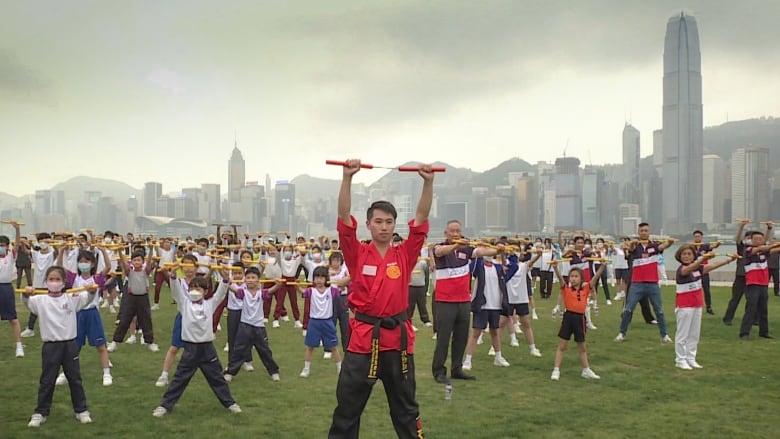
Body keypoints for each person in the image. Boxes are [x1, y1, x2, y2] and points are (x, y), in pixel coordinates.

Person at [328, 159, 432, 439]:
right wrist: (347, 178)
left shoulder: (405, 254)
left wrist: (428, 182)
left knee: (406, 410)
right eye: (378, 222)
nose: (384, 227)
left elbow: (421, 221)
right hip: (363, 340)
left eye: (389, 222)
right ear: (369, 225)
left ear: (395, 224)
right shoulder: (357, 253)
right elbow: (343, 217)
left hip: (397, 342)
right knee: (347, 409)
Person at [153, 265, 241, 417]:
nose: (195, 291)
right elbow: (176, 291)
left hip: (207, 349)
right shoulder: (184, 304)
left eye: (199, 289)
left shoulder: (209, 304)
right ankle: (165, 406)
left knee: (217, 378)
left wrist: (225, 278)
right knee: (180, 379)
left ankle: (230, 403)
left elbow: (220, 294)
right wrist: (172, 276)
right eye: (192, 288)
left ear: (205, 292)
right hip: (190, 349)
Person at [23, 265, 98, 427]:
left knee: (75, 379)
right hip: (50, 346)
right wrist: (26, 294)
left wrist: (91, 290)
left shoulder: (72, 298)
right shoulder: (40, 300)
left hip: (70, 345)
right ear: (46, 281)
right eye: (51, 279)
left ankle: (81, 410)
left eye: (58, 280)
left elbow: (88, 298)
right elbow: (28, 303)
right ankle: (40, 412)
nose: (54, 282)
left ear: (64, 282)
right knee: (47, 380)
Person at [431, 220, 500, 383]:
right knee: (443, 338)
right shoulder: (438, 248)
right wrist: (456, 246)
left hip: (463, 301)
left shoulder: (467, 250)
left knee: (461, 337)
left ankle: (457, 369)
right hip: (445, 301)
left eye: (458, 231)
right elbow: (440, 251)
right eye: (452, 231)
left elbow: (482, 251)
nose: (455, 234)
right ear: (446, 233)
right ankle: (439, 371)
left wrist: (498, 249)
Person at [54, 246, 114, 386]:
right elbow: (59, 267)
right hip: (77, 315)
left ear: (92, 264)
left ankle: (106, 374)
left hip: (92, 314)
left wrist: (104, 251)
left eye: (86, 261)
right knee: (74, 347)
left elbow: (108, 266)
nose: (83, 264)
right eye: (81, 261)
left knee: (101, 346)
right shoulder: (74, 278)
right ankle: (65, 373)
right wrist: (61, 251)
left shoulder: (97, 279)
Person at [673, 245, 736, 370]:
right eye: (684, 254)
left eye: (689, 254)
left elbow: (712, 266)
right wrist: (702, 259)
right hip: (685, 306)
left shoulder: (699, 269)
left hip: (697, 305)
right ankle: (680, 360)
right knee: (682, 335)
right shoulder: (682, 270)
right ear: (680, 257)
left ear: (693, 255)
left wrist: (729, 260)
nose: (686, 256)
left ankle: (691, 358)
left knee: (694, 334)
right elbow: (689, 269)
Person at [614, 223, 675, 343]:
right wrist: (632, 243)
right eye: (641, 231)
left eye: (646, 230)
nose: (644, 232)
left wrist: (671, 242)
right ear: (638, 232)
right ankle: (622, 333)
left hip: (652, 284)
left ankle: (664, 335)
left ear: (649, 232)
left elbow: (665, 246)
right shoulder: (635, 247)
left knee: (659, 311)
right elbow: (630, 249)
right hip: (637, 284)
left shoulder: (655, 246)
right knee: (628, 309)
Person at [550, 259, 607, 381]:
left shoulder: (586, 289)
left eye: (576, 276)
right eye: (571, 276)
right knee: (562, 345)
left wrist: (602, 267)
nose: (573, 279)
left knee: (582, 347)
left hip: (580, 319)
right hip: (568, 318)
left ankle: (586, 370)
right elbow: (560, 279)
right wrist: (555, 268)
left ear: (581, 279)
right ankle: (556, 369)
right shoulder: (566, 289)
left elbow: (595, 278)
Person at [223, 267, 282, 382]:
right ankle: (230, 372)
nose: (250, 280)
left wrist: (278, 285)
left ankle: (274, 371)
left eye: (253, 278)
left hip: (259, 326)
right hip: (245, 325)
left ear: (258, 280)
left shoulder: (262, 293)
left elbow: (271, 290)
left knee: (264, 350)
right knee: (239, 350)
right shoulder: (242, 292)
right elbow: (231, 288)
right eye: (248, 278)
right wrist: (226, 280)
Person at [462, 251, 511, 371]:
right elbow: (471, 265)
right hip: (482, 305)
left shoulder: (498, 267)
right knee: (475, 333)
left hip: (495, 305)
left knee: (495, 332)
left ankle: (498, 357)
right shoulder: (479, 266)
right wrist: (478, 253)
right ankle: (468, 360)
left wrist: (503, 253)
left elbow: (511, 268)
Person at [107, 248, 159, 352]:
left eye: (139, 260)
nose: (136, 262)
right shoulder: (129, 271)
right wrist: (120, 252)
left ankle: (150, 342)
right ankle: (115, 342)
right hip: (131, 298)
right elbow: (123, 263)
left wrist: (151, 248)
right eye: (134, 260)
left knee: (146, 320)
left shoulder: (146, 271)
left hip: (143, 298)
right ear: (132, 262)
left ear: (142, 261)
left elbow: (149, 262)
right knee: (124, 320)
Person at [299, 266, 342, 378]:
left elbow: (342, 289)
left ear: (326, 279)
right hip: (314, 322)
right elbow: (302, 292)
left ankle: (340, 368)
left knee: (333, 347)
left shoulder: (331, 291)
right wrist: (296, 285)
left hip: (327, 322)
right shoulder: (311, 291)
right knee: (310, 347)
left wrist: (342, 282)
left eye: (321, 277)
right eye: (316, 277)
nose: (318, 280)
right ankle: (306, 368)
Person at [739, 225, 780, 340]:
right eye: (756, 239)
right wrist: (770, 244)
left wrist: (769, 230)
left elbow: (773, 249)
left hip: (763, 285)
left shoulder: (764, 252)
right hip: (752, 284)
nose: (758, 241)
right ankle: (744, 333)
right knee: (751, 309)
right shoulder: (748, 250)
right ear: (751, 240)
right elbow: (761, 248)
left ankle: (764, 332)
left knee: (763, 309)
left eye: (760, 239)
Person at [0, 222, 24, 357]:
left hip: (6, 288)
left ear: (7, 246)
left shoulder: (11, 255)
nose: (1, 247)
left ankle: (19, 346)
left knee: (13, 319)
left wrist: (17, 230)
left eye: (3, 245)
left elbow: (17, 243)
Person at [723, 221, 753, 326]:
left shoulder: (757, 249)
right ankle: (728, 318)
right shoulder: (742, 248)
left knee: (752, 300)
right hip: (741, 277)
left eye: (751, 237)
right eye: (748, 237)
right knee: (735, 299)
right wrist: (741, 227)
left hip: (752, 278)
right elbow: (738, 239)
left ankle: (753, 319)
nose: (750, 239)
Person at [692, 230, 722, 315]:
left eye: (698, 236)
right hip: (694, 270)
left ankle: (709, 307)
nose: (697, 238)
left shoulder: (705, 246)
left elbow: (713, 246)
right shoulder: (691, 247)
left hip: (704, 270)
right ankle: (694, 306)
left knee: (706, 289)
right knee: (694, 288)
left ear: (701, 237)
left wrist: (718, 243)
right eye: (696, 236)